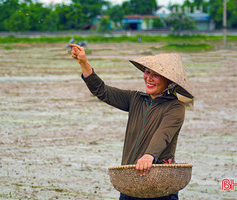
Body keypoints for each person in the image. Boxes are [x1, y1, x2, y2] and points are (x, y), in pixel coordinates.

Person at [69, 44, 194, 200]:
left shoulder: (175, 107)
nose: (149, 78)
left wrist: (149, 156)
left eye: (156, 75)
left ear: (169, 81)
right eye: (147, 72)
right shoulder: (135, 99)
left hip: (160, 184)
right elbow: (102, 91)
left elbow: (163, 135)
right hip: (130, 182)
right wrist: (84, 63)